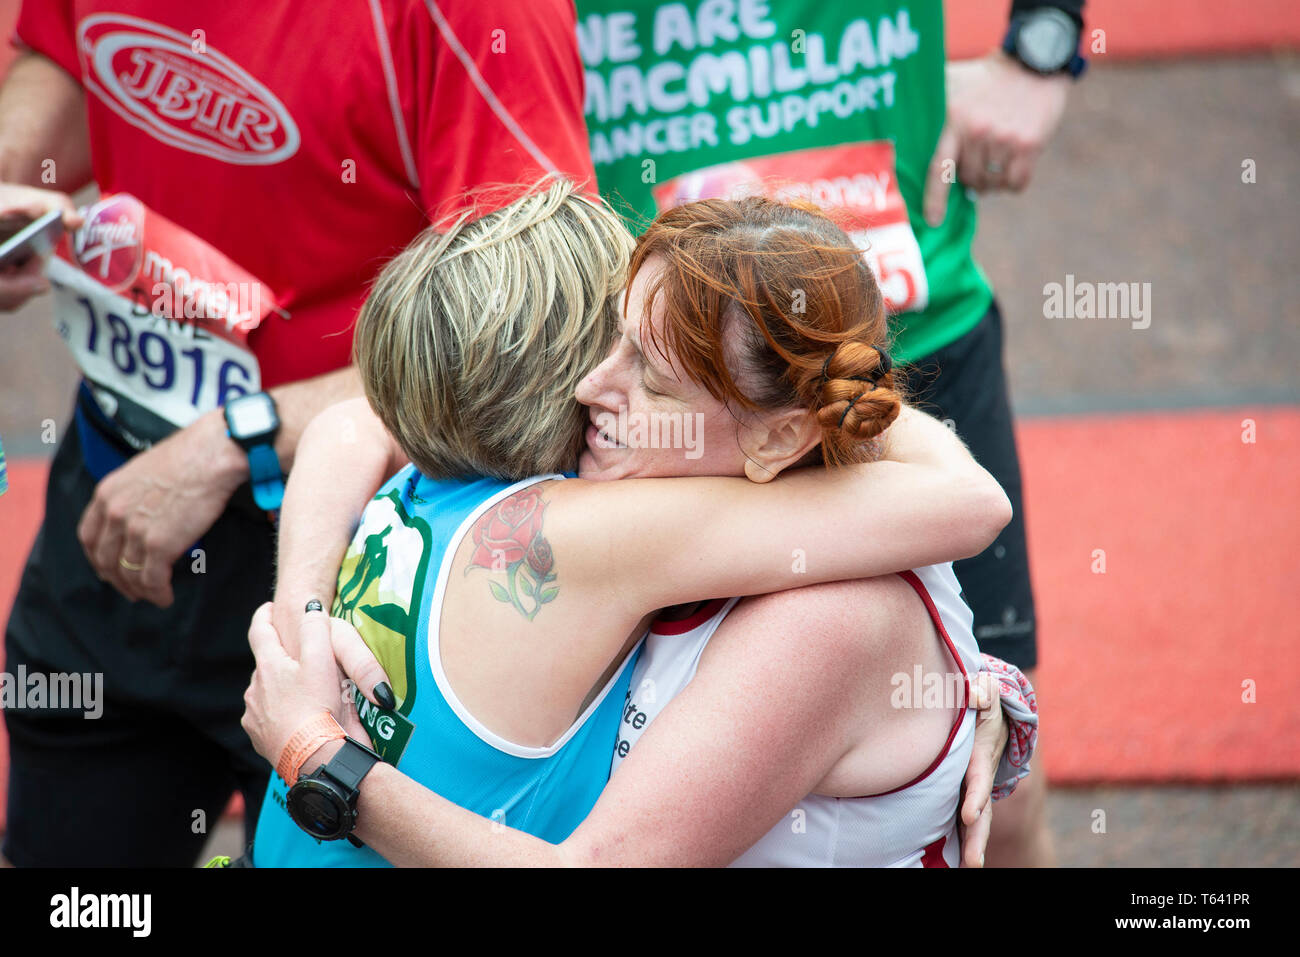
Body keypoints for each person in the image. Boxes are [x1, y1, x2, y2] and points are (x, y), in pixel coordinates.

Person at [242, 181, 1029, 867]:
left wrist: (316, 752)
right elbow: (354, 424)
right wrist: (301, 622)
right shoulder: (674, 503)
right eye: (611, 338)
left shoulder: (822, 615)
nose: (589, 385)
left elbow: (975, 503)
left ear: (780, 437)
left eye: (651, 380)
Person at [0, 0, 594, 866]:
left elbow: (525, 336)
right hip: (118, 492)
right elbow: (68, 56)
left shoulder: (477, 15)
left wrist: (229, 439)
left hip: (358, 542)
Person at [572, 0, 1085, 867]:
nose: (590, 391)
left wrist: (1044, 44)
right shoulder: (611, 378)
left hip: (900, 324)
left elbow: (971, 503)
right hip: (654, 328)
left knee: (999, 787)